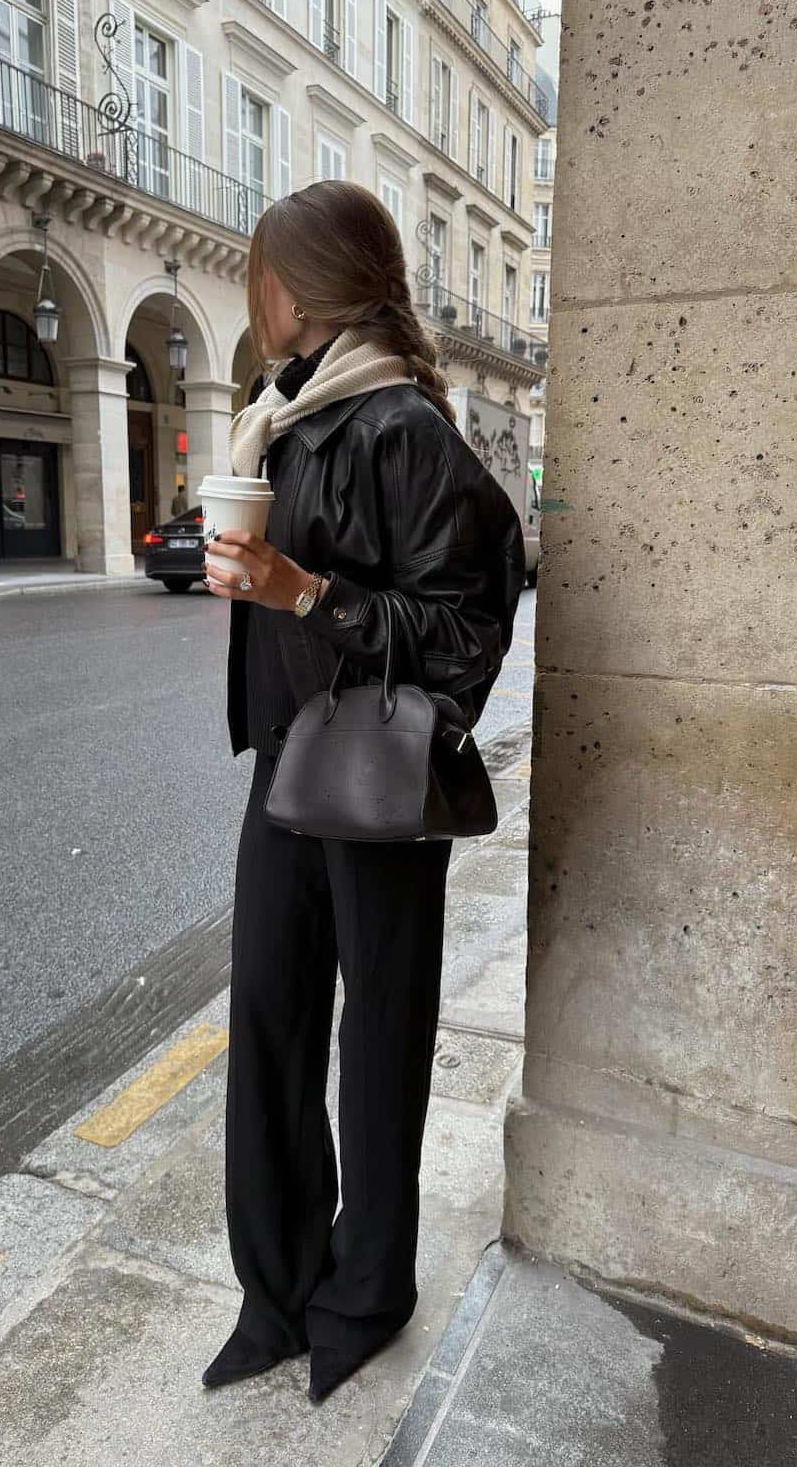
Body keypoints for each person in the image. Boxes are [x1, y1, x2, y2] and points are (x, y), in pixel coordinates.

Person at [201, 180, 524, 1405]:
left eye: (264, 274)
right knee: (271, 1026)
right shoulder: (279, 418)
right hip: (287, 766)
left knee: (376, 1035)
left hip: (380, 780)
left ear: (305, 283)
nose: (258, 294)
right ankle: (275, 1292)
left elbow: (464, 630)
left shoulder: (400, 425)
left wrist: (302, 592)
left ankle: (362, 1293)